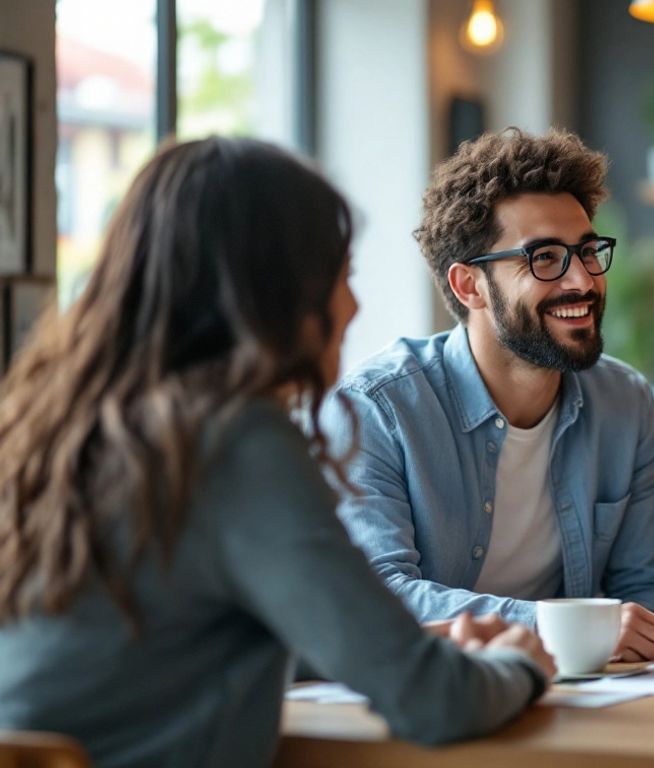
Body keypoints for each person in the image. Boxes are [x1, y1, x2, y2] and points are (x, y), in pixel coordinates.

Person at [0, 138, 555, 768]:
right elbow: (429, 701)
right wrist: (522, 665)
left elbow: (173, 649)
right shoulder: (235, 441)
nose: (353, 306)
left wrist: (412, 643)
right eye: (340, 276)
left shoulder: (65, 423)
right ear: (273, 291)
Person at [321, 128, 654, 662]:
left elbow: (651, 590)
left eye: (587, 252)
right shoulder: (377, 409)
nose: (582, 280)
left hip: (589, 697)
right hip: (441, 698)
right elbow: (375, 593)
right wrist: (555, 627)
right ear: (469, 286)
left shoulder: (624, 403)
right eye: (544, 258)